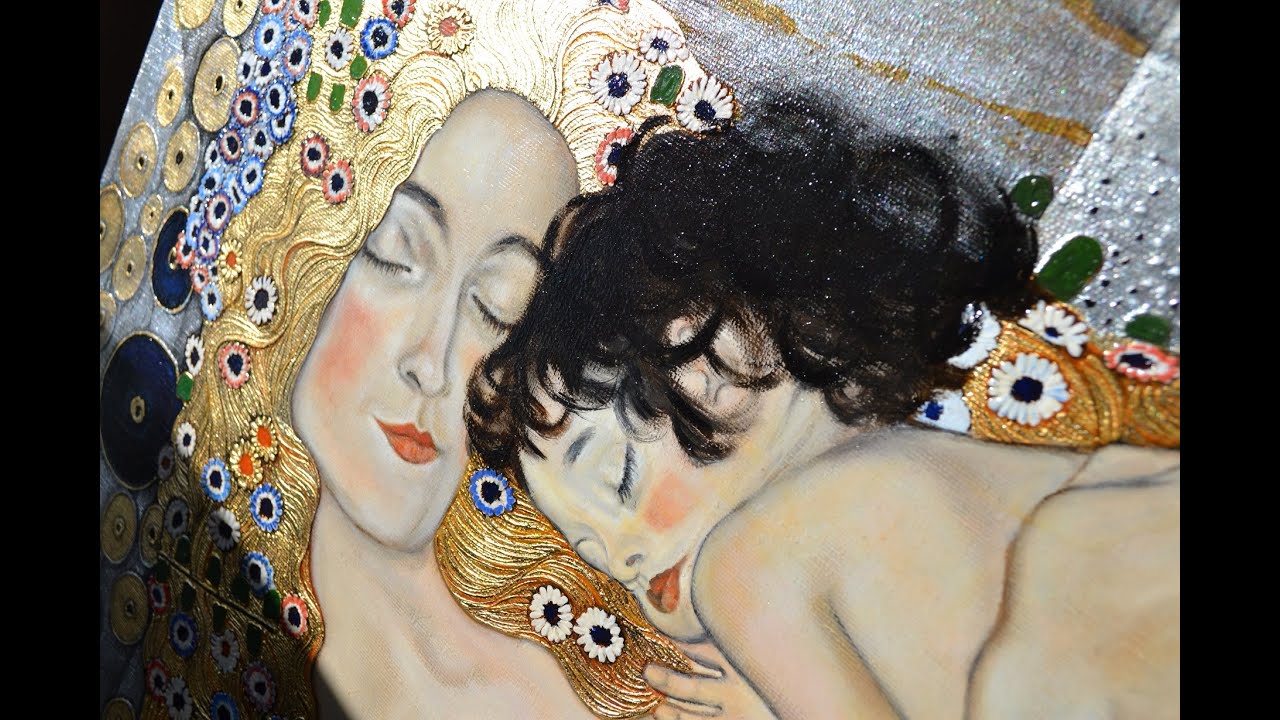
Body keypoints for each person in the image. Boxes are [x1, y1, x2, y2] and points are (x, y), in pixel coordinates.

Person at [457, 95, 1180, 719]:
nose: (626, 556)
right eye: (593, 552)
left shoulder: (745, 563)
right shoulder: (934, 468)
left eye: (620, 481)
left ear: (715, 351)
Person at [149, 1, 764, 717]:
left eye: (498, 310)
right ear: (307, 254)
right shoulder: (192, 619)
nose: (432, 363)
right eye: (397, 258)